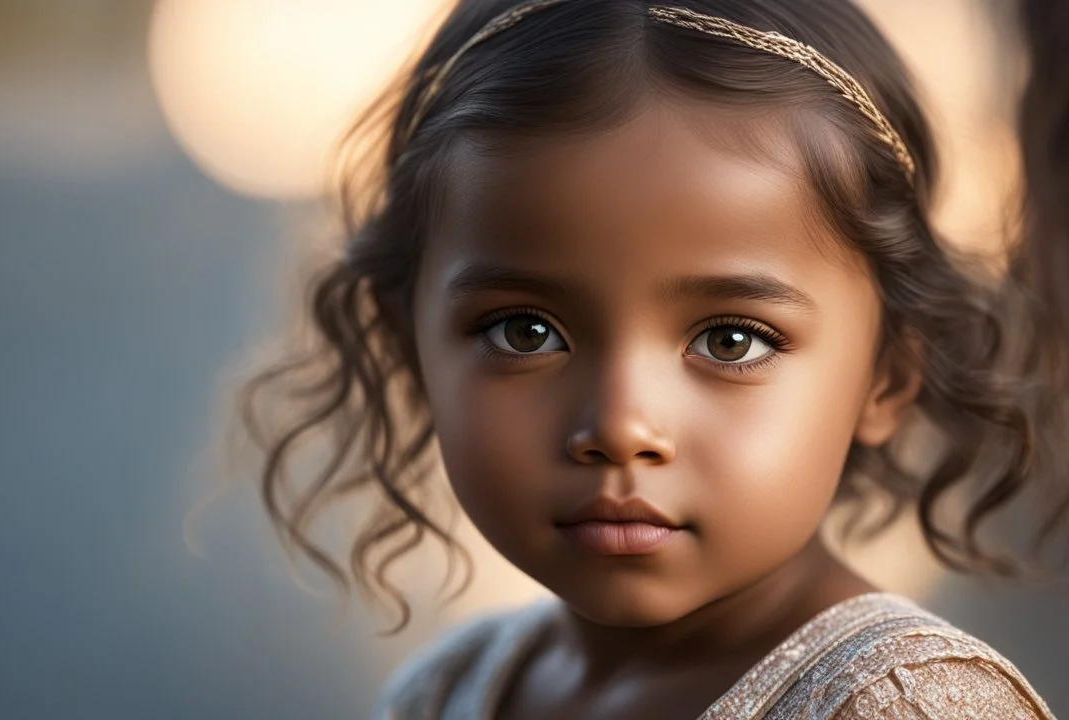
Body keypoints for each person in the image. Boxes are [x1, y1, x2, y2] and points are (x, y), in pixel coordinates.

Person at [234, 1, 1062, 716]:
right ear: (408, 345)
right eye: (525, 332)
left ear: (888, 375)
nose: (621, 426)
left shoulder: (901, 706)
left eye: (730, 340)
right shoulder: (444, 692)